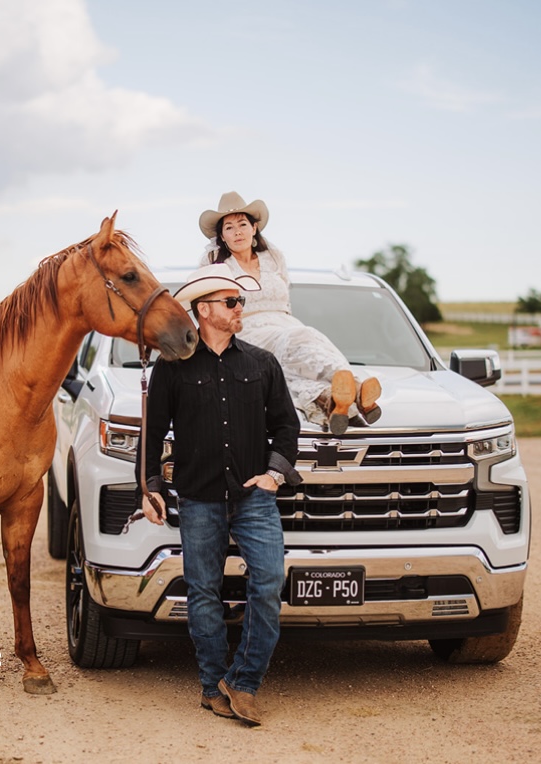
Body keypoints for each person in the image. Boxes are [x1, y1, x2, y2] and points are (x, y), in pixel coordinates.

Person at [139, 263, 301, 727]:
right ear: (205, 310)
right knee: (204, 592)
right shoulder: (174, 369)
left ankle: (243, 682)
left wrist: (274, 473)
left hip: (255, 498)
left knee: (268, 584)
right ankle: (212, 686)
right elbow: (152, 435)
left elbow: (287, 428)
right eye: (232, 302)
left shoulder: (261, 363)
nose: (240, 309)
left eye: (240, 301)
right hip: (198, 497)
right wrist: (149, 487)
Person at [198, 191, 382, 434]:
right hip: (244, 332)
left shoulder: (274, 257)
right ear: (222, 235)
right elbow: (207, 308)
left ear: (254, 229)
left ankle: (330, 398)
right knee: (302, 336)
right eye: (229, 227)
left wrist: (287, 324)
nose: (237, 232)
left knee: (296, 355)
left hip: (285, 324)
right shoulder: (213, 263)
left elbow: (285, 295)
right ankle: (358, 390)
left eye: (243, 224)